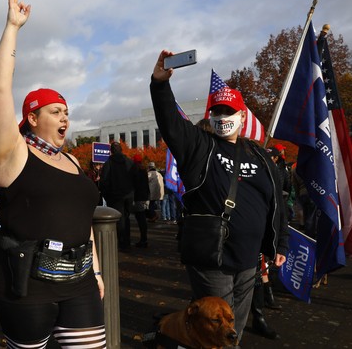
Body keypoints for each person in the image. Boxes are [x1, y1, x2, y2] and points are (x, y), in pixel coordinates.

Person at [0, 0, 106, 348]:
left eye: (67, 112)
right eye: (56, 111)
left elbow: (83, 222)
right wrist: (12, 27)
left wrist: (97, 272)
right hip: (27, 287)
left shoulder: (71, 160)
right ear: (32, 117)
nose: (65, 117)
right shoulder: (14, 153)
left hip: (81, 283)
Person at [149, 49, 289, 342]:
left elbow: (275, 205)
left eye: (228, 111)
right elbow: (171, 124)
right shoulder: (200, 146)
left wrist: (280, 243)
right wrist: (160, 84)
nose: (222, 116)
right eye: (217, 111)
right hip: (213, 258)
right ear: (210, 115)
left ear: (241, 116)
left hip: (249, 260)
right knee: (213, 330)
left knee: (232, 325)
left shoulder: (260, 156)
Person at [100, 142, 136, 250]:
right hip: (128, 195)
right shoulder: (129, 162)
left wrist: (106, 195)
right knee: (126, 218)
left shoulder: (108, 163)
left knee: (118, 219)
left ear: (111, 151)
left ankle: (121, 242)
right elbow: (136, 178)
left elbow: (104, 181)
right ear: (121, 149)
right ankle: (126, 241)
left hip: (115, 196)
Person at [132, 155, 150, 248]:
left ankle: (143, 240)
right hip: (144, 196)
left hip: (138, 196)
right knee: (142, 218)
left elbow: (134, 184)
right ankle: (144, 238)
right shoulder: (144, 171)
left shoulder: (135, 171)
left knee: (140, 218)